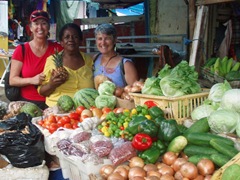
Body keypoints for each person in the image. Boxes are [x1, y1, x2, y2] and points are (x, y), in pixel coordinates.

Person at [10, 10, 63, 110]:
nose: (40, 27)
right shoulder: (21, 50)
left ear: (48, 27)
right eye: (36, 23)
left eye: (44, 23)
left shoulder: (58, 49)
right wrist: (32, 80)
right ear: (30, 27)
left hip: (53, 103)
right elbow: (12, 80)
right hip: (28, 103)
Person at [38, 23, 94, 107]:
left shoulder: (88, 60)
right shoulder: (51, 61)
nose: (71, 39)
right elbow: (42, 92)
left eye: (75, 37)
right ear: (61, 42)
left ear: (80, 41)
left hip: (85, 111)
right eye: (66, 37)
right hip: (57, 110)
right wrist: (51, 84)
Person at [93, 23, 139, 88]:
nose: (103, 43)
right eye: (100, 39)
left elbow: (134, 91)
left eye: (107, 38)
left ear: (114, 40)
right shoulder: (95, 59)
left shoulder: (126, 65)